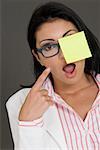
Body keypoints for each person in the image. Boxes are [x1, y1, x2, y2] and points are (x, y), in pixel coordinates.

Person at [6, 1, 100, 150]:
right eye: (49, 47)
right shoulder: (20, 103)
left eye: (70, 39)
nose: (64, 55)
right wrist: (29, 123)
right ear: (38, 57)